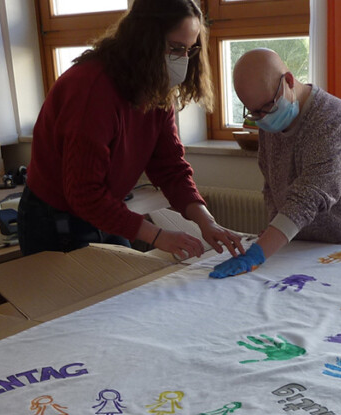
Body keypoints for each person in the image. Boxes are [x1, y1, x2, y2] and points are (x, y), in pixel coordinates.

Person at [17, 0, 243, 261]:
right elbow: (83, 194)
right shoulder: (91, 90)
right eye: (175, 48)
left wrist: (206, 221)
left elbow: (170, 167)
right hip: (55, 217)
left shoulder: (155, 88)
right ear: (145, 40)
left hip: (102, 208)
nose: (182, 59)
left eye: (189, 50)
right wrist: (159, 236)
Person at [211, 48, 341, 278]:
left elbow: (307, 200)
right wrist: (274, 228)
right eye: (254, 112)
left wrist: (258, 253)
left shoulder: (336, 126)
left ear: (289, 81)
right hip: (322, 236)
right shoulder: (271, 118)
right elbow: (272, 182)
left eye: (266, 108)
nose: (262, 118)